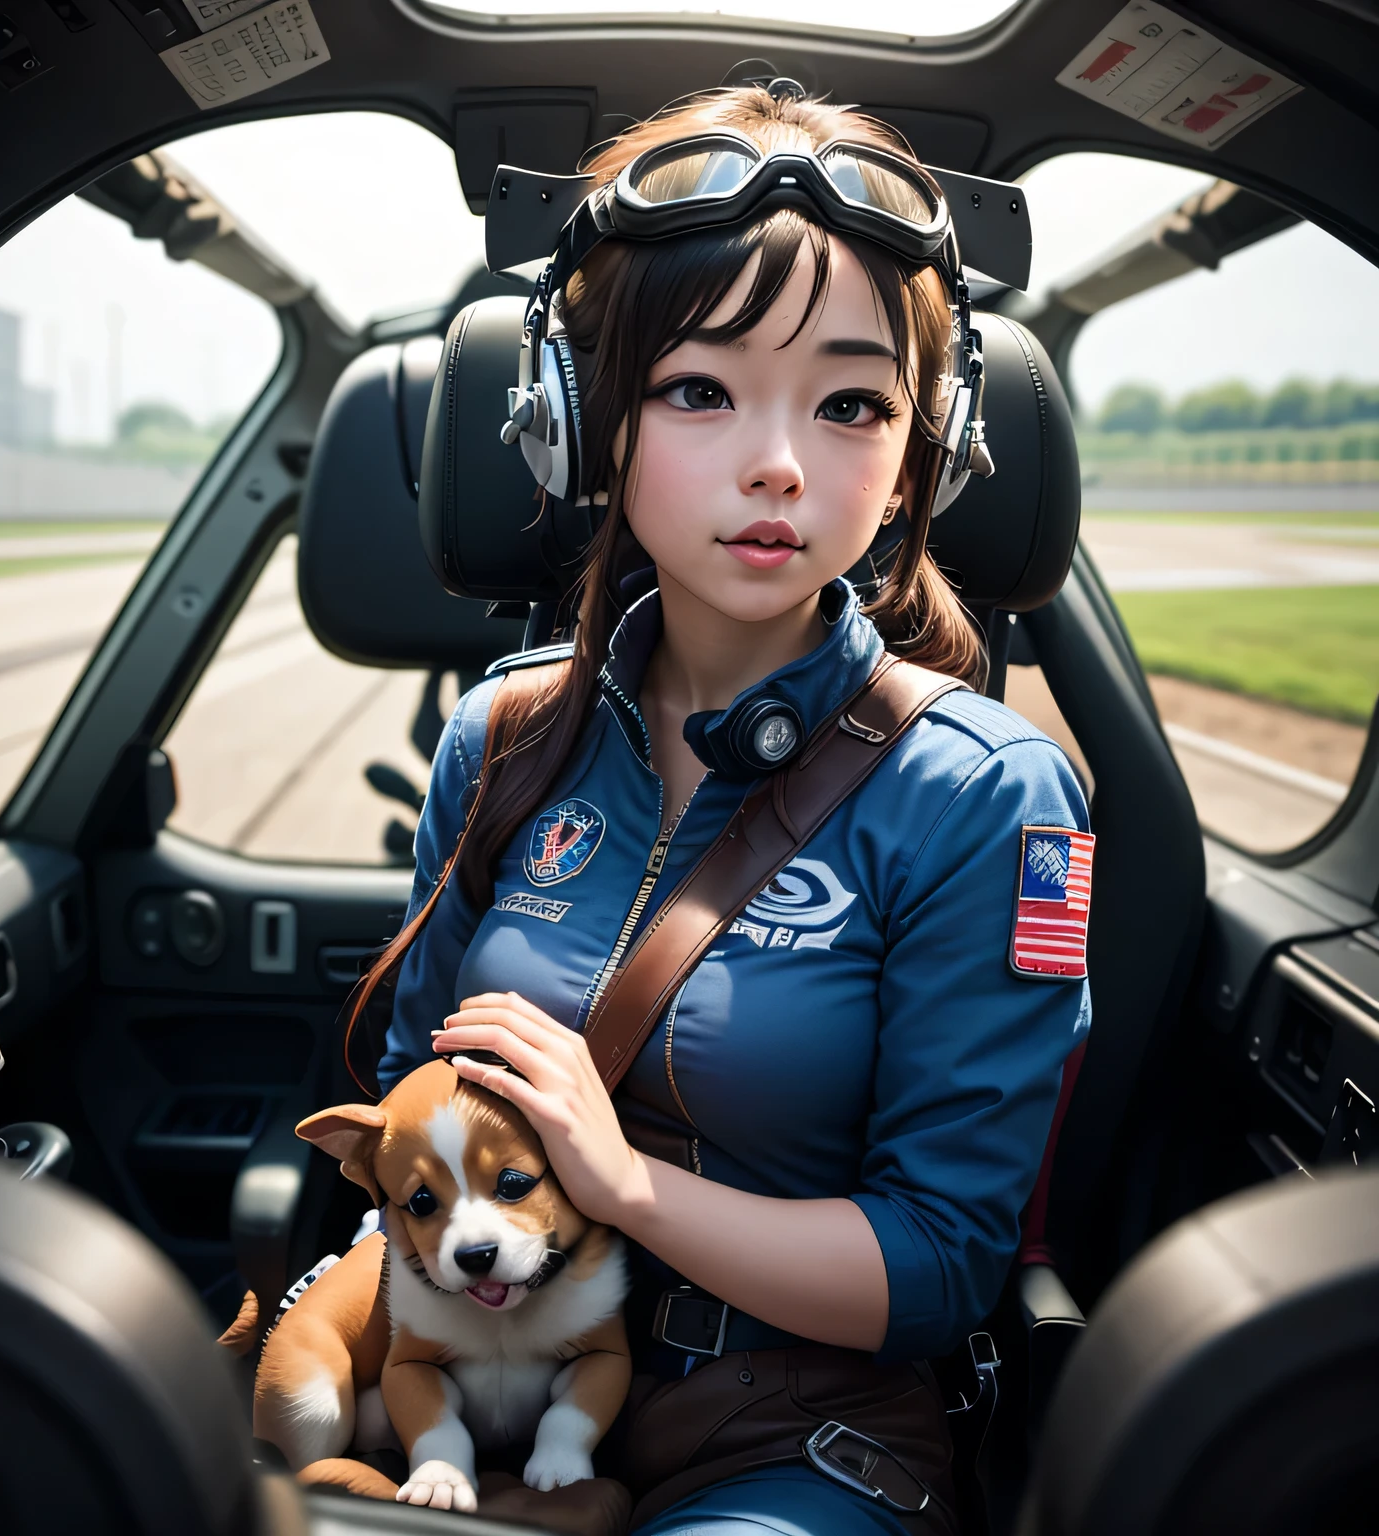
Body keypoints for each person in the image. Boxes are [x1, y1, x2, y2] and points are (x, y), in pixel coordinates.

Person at [364, 84, 1091, 1535]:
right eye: (700, 389)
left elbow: (941, 1264)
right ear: (578, 420)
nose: (780, 462)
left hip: (782, 1434)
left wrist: (620, 1182)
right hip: (494, 1390)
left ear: (923, 453)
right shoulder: (503, 738)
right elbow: (406, 1107)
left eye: (851, 404)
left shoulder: (987, 797)